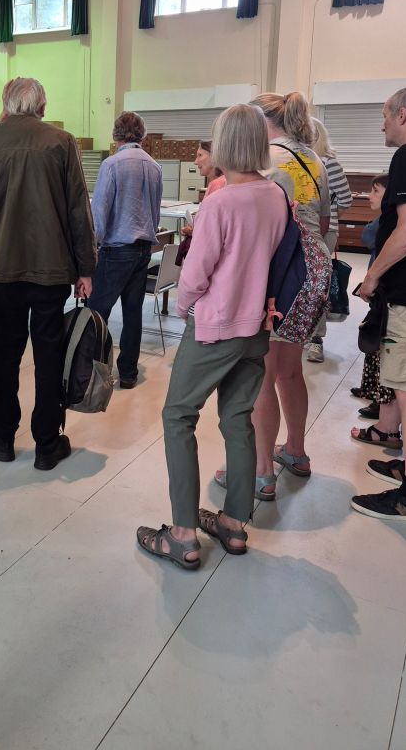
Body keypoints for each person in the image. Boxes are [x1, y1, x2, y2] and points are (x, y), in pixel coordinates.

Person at [136, 105, 286, 569]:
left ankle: (182, 534)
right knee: (238, 420)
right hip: (255, 327)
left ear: (224, 144)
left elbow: (196, 272)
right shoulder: (275, 195)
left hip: (215, 326)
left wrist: (184, 307)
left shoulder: (220, 202)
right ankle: (235, 524)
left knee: (177, 416)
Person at [0, 77, 96, 470]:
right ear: (42, 106)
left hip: (4, 263)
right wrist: (86, 268)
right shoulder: (61, 142)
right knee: (48, 352)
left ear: (6, 104)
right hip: (51, 265)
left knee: (5, 351)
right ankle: (46, 443)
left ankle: (3, 435)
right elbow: (78, 207)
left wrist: (2, 120)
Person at [243, 92, 331, 500]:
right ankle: (295, 450)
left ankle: (260, 471)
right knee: (289, 369)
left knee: (262, 369)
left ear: (263, 122)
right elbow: (323, 222)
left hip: (280, 274)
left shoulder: (265, 160)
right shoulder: (314, 159)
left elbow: (260, 226)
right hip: (313, 270)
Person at [351, 89, 406, 521]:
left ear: (402, 114)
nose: (382, 123)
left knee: (405, 386)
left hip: (405, 293)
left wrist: (371, 277)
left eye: (385, 115)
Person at [88, 112, 163, 389]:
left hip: (115, 250)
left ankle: (93, 374)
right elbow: (155, 212)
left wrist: (91, 250)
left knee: (97, 313)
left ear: (115, 134)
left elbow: (99, 213)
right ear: (142, 134)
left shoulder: (111, 165)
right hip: (143, 249)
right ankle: (128, 374)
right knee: (133, 314)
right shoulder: (154, 166)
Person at [306, 117, 352, 363]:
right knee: (303, 284)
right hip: (300, 232)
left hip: (324, 231)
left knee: (318, 284)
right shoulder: (297, 161)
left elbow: (345, 199)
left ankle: (316, 338)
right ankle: (302, 332)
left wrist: (331, 218)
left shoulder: (328, 163)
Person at [351, 174, 393, 420]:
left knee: (380, 345)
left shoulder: (388, 220)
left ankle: (380, 400)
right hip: (380, 291)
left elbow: (368, 235)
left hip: (386, 291)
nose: (369, 196)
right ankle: (370, 388)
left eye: (375, 191)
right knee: (373, 341)